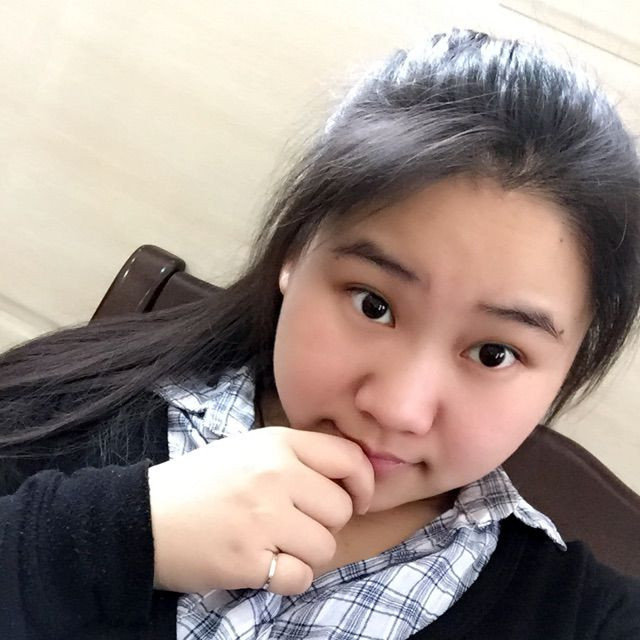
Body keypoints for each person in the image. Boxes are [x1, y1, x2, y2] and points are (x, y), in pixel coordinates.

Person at [1, 27, 639, 640]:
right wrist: (119, 534)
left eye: (494, 353)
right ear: (294, 250)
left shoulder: (589, 620)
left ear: (570, 363)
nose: (398, 407)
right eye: (373, 304)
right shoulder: (57, 414)